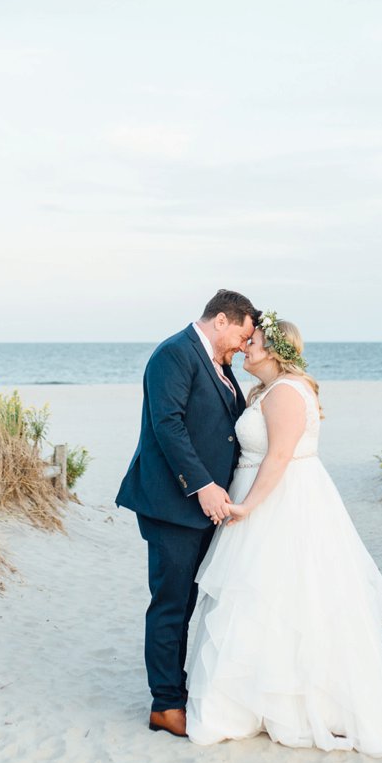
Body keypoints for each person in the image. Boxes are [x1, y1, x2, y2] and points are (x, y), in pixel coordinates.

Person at [185, 313, 382, 756]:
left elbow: (278, 458)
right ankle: (258, 697)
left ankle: (295, 702)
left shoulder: (286, 394)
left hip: (281, 502)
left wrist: (247, 507)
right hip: (266, 495)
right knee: (261, 598)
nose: (245, 348)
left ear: (276, 350)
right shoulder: (269, 391)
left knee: (287, 596)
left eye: (253, 341)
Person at [115, 289, 258, 738]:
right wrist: (203, 485)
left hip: (207, 508)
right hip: (172, 504)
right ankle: (165, 704)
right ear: (221, 320)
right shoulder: (173, 355)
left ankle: (180, 688)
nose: (243, 343)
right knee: (171, 604)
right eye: (242, 333)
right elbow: (168, 425)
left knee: (191, 601)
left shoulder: (220, 363)